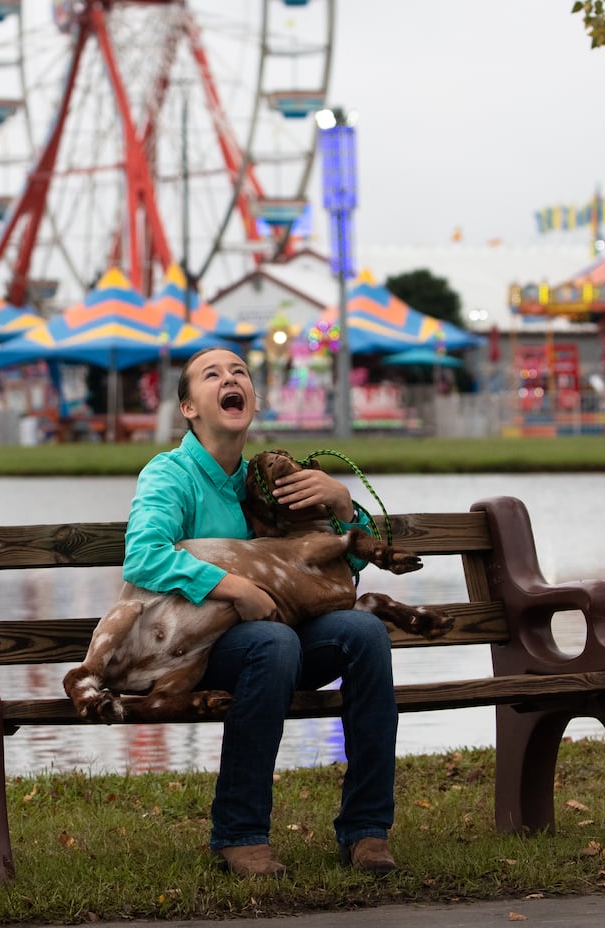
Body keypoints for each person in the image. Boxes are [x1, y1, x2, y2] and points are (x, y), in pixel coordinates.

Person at [122, 347, 399, 878]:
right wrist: (233, 587)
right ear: (188, 408)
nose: (231, 379)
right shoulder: (171, 474)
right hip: (193, 646)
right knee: (275, 644)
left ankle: (367, 830)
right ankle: (239, 834)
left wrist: (342, 505)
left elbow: (340, 572)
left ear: (252, 397)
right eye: (213, 374)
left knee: (363, 632)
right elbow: (143, 556)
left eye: (240, 373)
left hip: (278, 635)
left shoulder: (267, 480)